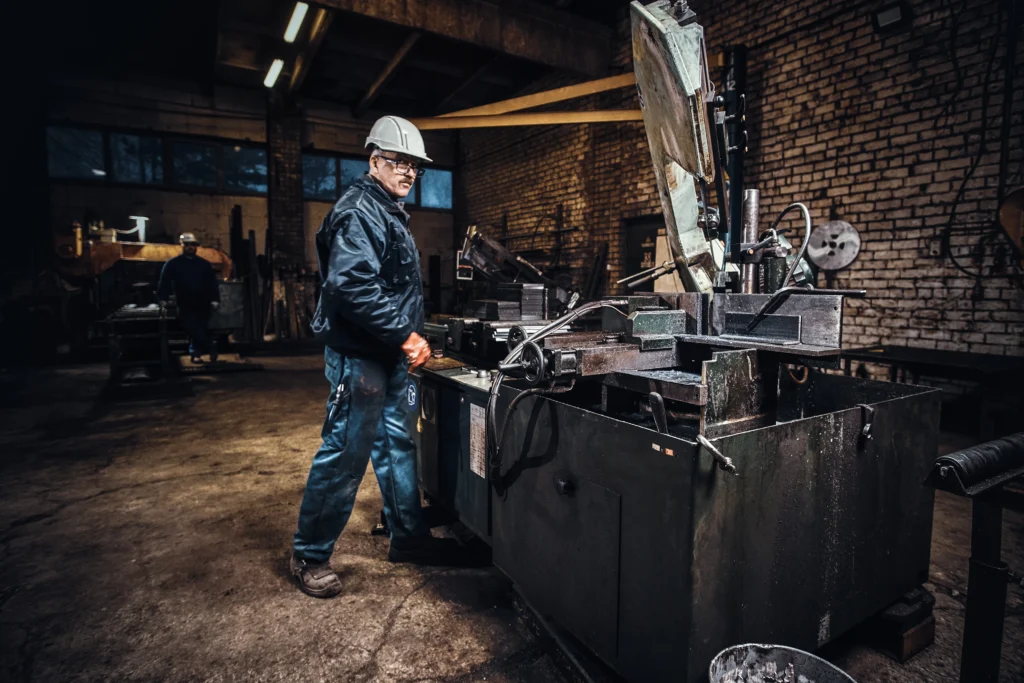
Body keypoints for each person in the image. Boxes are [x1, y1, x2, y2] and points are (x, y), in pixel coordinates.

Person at [291, 115, 461, 599]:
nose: (408, 172)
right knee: (346, 452)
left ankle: (408, 537)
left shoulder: (386, 210)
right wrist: (406, 337)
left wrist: (402, 339)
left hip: (384, 356)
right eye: (398, 162)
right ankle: (309, 553)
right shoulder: (359, 210)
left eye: (414, 166)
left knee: (396, 446)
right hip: (360, 356)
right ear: (374, 160)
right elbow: (351, 285)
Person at [157, 233, 220, 363]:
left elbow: (212, 283)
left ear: (196, 247)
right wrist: (162, 298)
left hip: (203, 302)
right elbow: (165, 281)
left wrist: (215, 299)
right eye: (187, 245)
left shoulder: (204, 265)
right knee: (191, 327)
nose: (190, 247)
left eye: (192, 245)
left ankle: (195, 354)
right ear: (182, 246)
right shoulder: (173, 264)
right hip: (185, 303)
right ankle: (210, 347)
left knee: (200, 327)